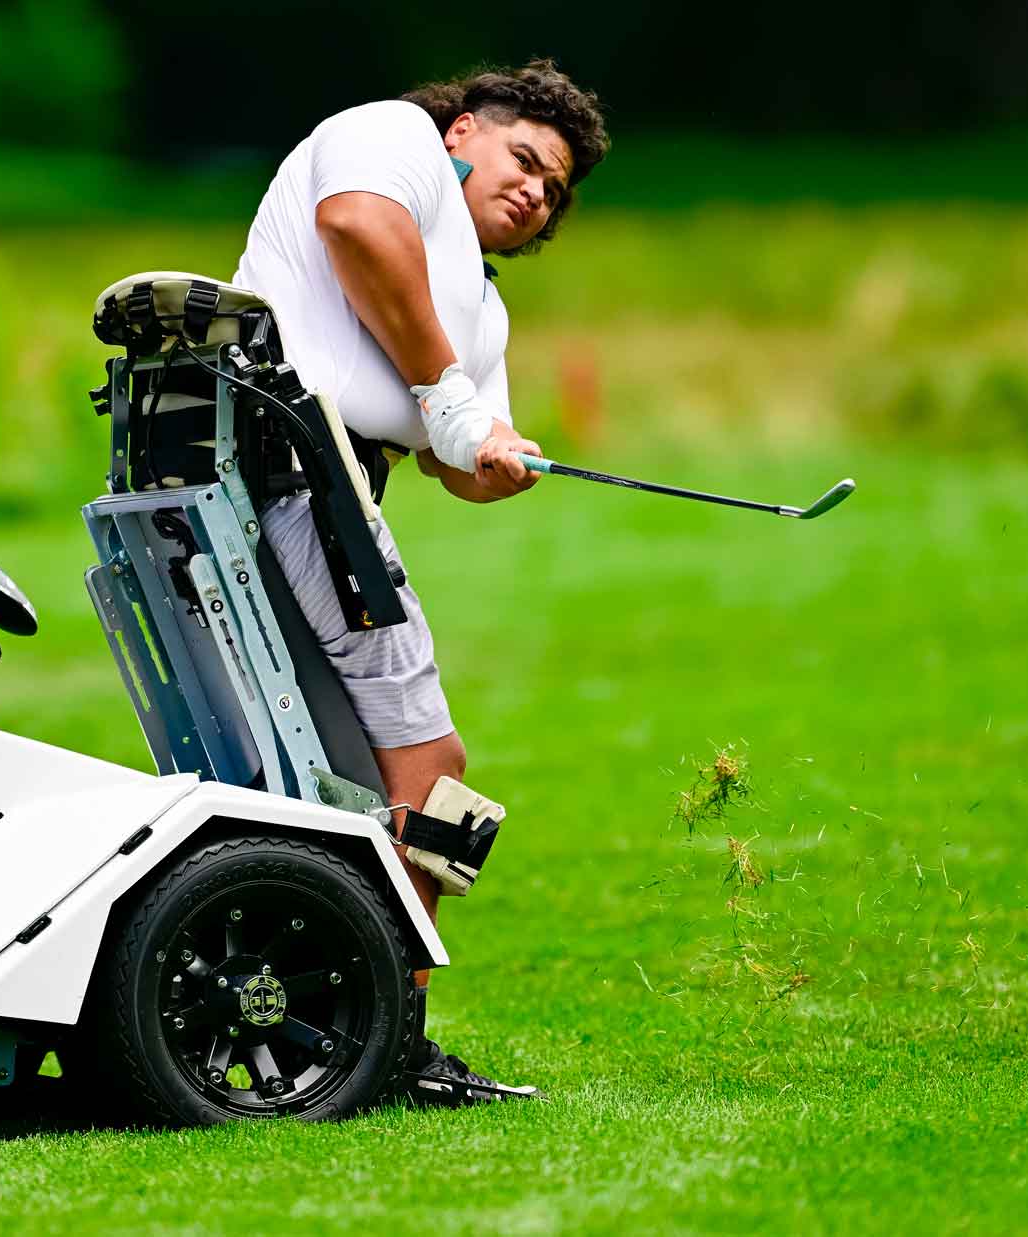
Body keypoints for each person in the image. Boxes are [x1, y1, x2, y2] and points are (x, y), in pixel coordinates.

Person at [230, 58, 608, 1104]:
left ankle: (339, 1026)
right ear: (463, 132)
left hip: (334, 490)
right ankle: (388, 1037)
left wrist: (497, 458)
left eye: (553, 194)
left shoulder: (478, 312)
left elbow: (453, 464)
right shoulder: (391, 137)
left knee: (359, 784)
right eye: (524, 159)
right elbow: (357, 226)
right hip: (297, 471)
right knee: (438, 776)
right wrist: (448, 398)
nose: (535, 192)